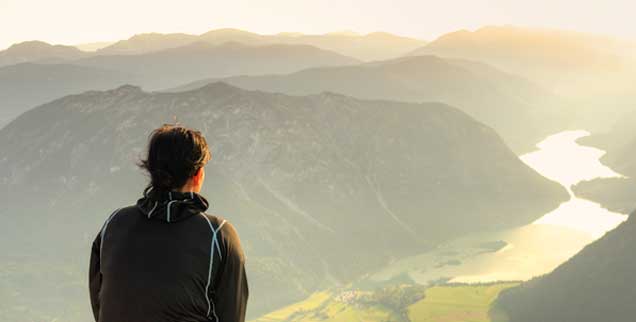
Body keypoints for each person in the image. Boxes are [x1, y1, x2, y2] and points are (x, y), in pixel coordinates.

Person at [88, 124, 248, 322]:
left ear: (153, 171)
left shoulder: (113, 225)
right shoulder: (218, 234)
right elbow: (231, 315)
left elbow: (101, 304)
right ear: (198, 174)